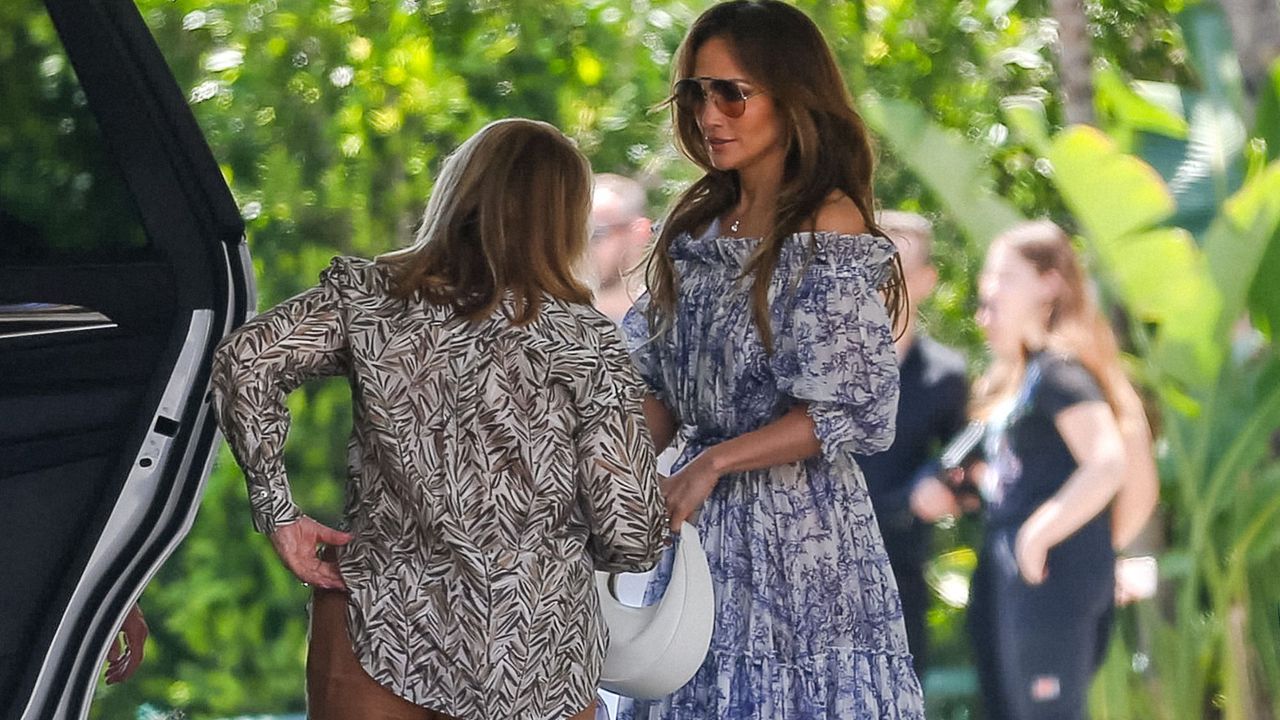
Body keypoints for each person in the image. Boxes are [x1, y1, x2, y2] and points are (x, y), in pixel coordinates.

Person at [210, 118, 667, 720]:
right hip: (534, 646)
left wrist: (277, 510)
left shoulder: (374, 300)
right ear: (563, 218)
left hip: (379, 622)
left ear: (460, 189)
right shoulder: (583, 342)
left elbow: (247, 361)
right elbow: (630, 534)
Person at [617, 2, 925, 717]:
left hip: (803, 539)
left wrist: (712, 463)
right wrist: (604, 481)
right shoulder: (693, 226)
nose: (709, 114)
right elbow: (654, 388)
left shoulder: (831, 222)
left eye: (732, 93)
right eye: (696, 93)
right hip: (695, 537)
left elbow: (849, 409)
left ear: (792, 100)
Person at [964, 220, 1157, 720]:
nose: (990, 289)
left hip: (1051, 577)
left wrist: (1040, 535)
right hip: (1026, 578)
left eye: (1006, 276)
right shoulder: (1028, 374)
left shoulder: (1060, 371)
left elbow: (1110, 461)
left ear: (1049, 283)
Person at [853, 211, 970, 682]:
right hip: (814, 567)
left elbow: (967, 474)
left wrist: (944, 494)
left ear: (926, 280)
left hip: (899, 573)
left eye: (899, 267)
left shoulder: (946, 376)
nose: (885, 283)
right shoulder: (822, 367)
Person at [590, 173, 652, 323]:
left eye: (596, 233)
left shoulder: (669, 324)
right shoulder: (550, 324)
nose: (582, 247)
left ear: (640, 231)